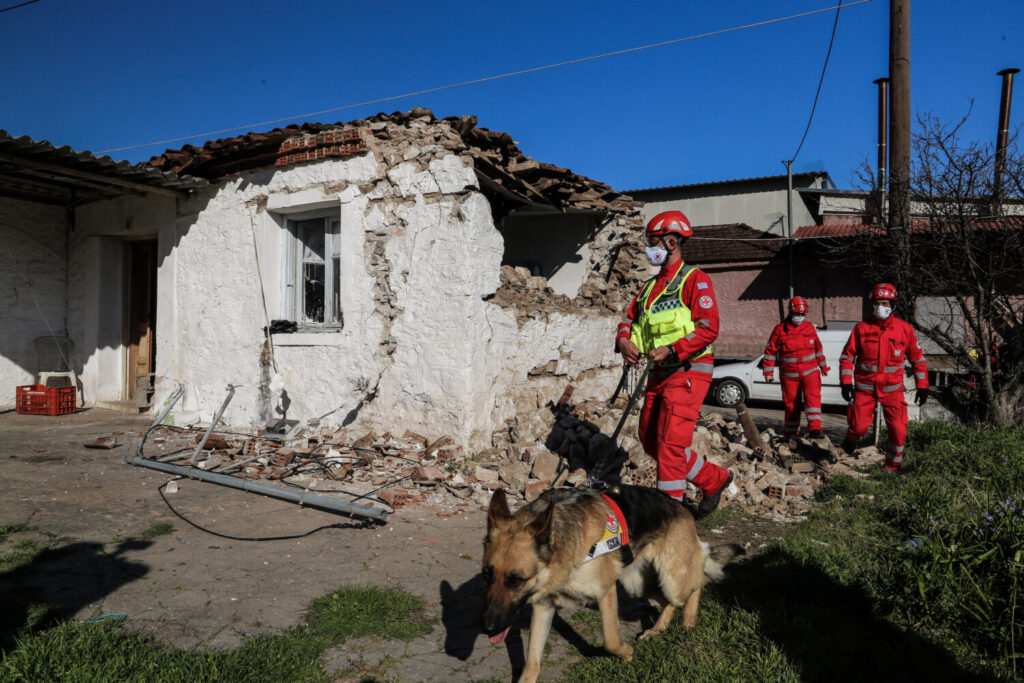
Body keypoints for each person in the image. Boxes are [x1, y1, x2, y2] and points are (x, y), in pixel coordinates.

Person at [615, 210, 733, 514]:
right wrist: (625, 342)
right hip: (658, 373)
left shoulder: (696, 280)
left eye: (653, 241)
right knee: (650, 439)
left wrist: (673, 349)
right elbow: (631, 321)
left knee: (669, 443)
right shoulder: (649, 288)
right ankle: (713, 479)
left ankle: (669, 517)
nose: (648, 247)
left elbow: (709, 327)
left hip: (688, 370)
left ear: (672, 241)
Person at [838, 282, 929, 471]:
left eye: (886, 303)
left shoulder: (904, 329)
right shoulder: (861, 329)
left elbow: (918, 359)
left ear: (893, 305)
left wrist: (923, 385)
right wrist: (846, 383)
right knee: (859, 427)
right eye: (878, 303)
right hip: (865, 389)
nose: (882, 307)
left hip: (892, 391)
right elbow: (847, 357)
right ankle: (850, 439)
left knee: (898, 429)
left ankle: (892, 466)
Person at [762, 296, 831, 439]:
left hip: (810, 373)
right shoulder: (780, 330)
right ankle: (791, 434)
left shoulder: (809, 328)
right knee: (791, 406)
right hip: (789, 376)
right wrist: (768, 371)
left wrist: (823, 367)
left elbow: (818, 349)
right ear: (790, 312)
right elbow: (770, 351)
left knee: (813, 400)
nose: (799, 317)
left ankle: (815, 429)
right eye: (797, 314)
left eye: (802, 315)